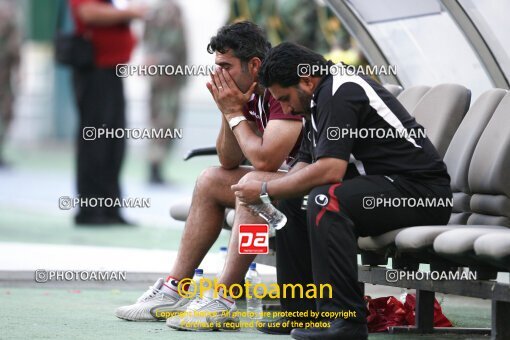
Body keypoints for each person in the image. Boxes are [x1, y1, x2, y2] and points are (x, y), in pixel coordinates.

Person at [232, 42, 453, 339]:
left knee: (326, 200)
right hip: (386, 187)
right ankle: (302, 313)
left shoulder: (340, 91)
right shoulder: (317, 97)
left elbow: (330, 170)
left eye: (284, 99)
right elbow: (306, 164)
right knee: (292, 204)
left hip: (421, 193)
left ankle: (345, 321)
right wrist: (274, 192)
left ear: (307, 81)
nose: (285, 109)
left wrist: (263, 187)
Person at [115, 22, 303, 330]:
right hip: (281, 182)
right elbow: (229, 159)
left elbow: (266, 158)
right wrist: (227, 110)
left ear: (254, 65)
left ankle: (224, 299)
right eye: (216, 66)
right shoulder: (245, 93)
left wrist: (233, 113)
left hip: (314, 187)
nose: (218, 75)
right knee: (211, 179)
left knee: (252, 185)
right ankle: (174, 288)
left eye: (226, 66)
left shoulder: (279, 85)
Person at [69, 0, 146, 225]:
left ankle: (110, 208)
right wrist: (128, 13)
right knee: (96, 142)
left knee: (114, 142)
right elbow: (88, 13)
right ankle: (90, 210)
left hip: (111, 71)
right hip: (95, 71)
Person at [143, 0, 187, 184]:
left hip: (159, 76)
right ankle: (155, 167)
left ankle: (155, 167)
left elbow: (148, 43)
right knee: (165, 122)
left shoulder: (153, 11)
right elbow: (173, 45)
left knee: (158, 121)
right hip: (168, 76)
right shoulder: (170, 10)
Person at [0, 0, 20, 167]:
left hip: (4, 79)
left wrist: (19, 72)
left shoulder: (11, 25)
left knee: (7, 113)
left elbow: (15, 52)